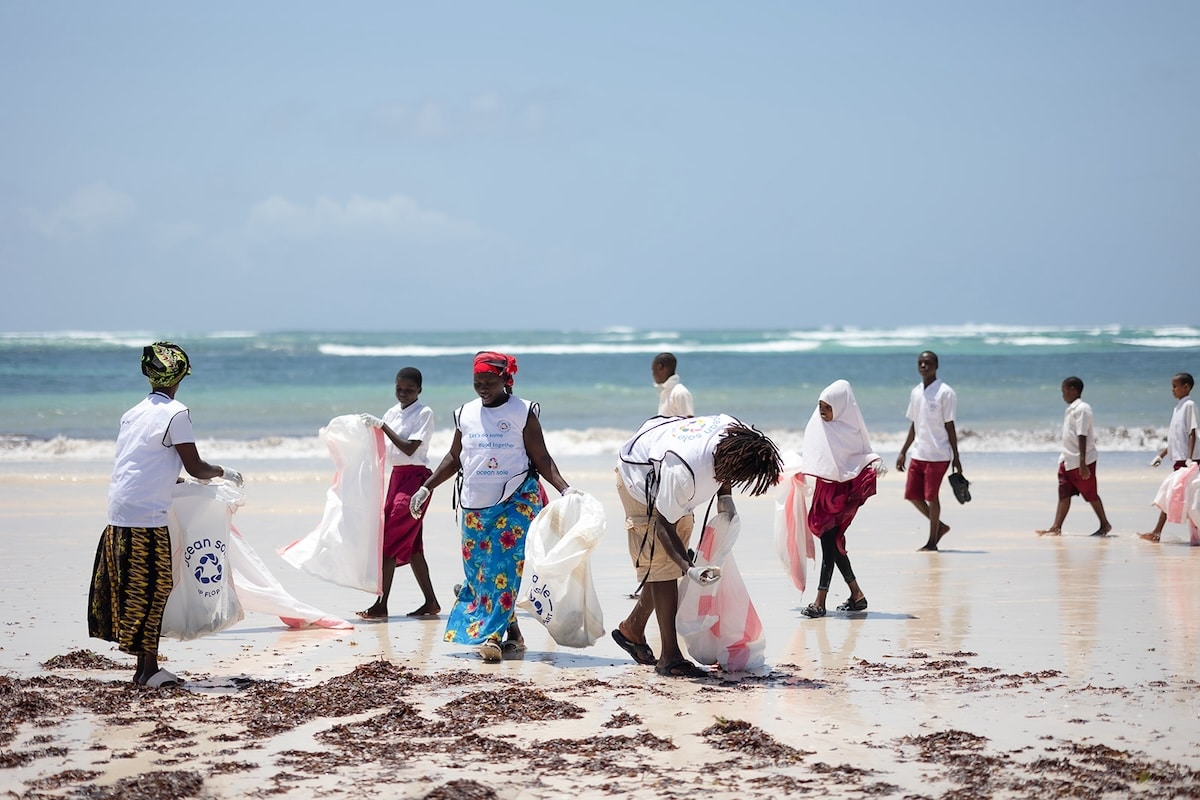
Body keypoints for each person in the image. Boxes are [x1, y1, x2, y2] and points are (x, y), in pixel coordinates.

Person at [87, 342, 244, 688]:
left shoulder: (132, 413)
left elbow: (141, 463)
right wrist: (223, 472)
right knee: (156, 589)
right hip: (146, 518)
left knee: (139, 589)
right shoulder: (176, 413)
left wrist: (176, 480)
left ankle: (145, 670)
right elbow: (197, 466)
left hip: (118, 513)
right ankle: (148, 671)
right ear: (179, 377)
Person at [409, 352, 572, 663]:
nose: (482, 388)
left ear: (505, 380)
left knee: (504, 570)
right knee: (481, 574)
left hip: (516, 500)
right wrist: (426, 486)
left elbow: (542, 458)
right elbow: (454, 457)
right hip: (474, 504)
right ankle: (514, 633)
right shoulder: (465, 413)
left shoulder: (522, 412)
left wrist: (565, 490)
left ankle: (492, 639)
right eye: (477, 383)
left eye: (488, 382)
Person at [611, 414, 782, 678]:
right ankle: (669, 657)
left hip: (668, 469)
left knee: (667, 566)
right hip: (638, 477)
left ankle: (632, 629)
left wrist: (725, 496)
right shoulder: (682, 474)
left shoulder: (736, 432)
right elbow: (662, 526)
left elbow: (729, 461)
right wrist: (688, 568)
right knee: (663, 565)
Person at [800, 380, 886, 618]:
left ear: (839, 406)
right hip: (824, 492)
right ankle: (857, 595)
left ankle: (820, 601)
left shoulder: (851, 428)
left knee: (829, 543)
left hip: (842, 496)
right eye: (820, 406)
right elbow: (813, 453)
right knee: (834, 544)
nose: (822, 411)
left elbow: (863, 453)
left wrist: (876, 462)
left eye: (827, 407)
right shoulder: (819, 425)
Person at [358, 367, 439, 618]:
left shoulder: (424, 413)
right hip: (396, 479)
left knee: (389, 541)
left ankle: (381, 605)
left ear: (419, 390)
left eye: (409, 390)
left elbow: (409, 448)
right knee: (413, 546)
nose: (403, 393)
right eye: (399, 389)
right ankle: (431, 602)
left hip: (416, 480)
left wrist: (384, 426)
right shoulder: (392, 412)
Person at [895, 351, 962, 551]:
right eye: (920, 363)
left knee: (932, 497)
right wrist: (903, 451)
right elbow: (914, 424)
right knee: (912, 495)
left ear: (936, 366)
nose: (923, 366)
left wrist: (956, 457)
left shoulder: (946, 392)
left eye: (928, 363)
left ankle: (932, 542)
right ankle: (939, 527)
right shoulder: (916, 392)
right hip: (919, 453)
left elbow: (950, 426)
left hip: (939, 455)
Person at [1037, 376, 1112, 537]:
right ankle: (1056, 527)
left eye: (1064, 391)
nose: (1062, 395)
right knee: (1063, 492)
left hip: (1081, 461)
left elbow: (1082, 434)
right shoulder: (1070, 409)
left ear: (1073, 390)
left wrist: (1083, 463)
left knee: (1090, 493)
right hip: (1067, 459)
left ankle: (1105, 524)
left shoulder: (1083, 408)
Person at [1138, 372, 1198, 542]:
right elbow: (1175, 438)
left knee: (1179, 496)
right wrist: (1161, 456)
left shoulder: (1189, 405)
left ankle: (1157, 532)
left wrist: (1189, 458)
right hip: (1179, 459)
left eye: (1175, 386)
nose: (1172, 390)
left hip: (1189, 462)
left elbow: (1192, 432)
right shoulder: (1178, 407)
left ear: (1186, 387)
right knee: (1177, 495)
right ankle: (1159, 532)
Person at [652, 352, 694, 417]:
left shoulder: (680, 392)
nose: (653, 374)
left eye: (653, 370)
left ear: (659, 367)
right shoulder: (665, 391)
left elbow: (689, 421)